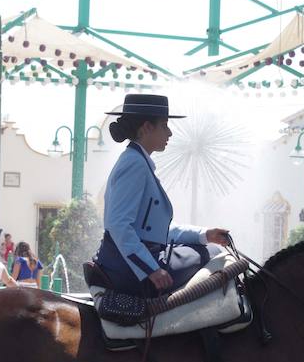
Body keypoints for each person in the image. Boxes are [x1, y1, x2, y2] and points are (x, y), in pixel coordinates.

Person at [93, 93, 229, 296]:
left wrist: (204, 234)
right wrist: (152, 270)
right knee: (215, 254)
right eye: (165, 125)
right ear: (147, 127)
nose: (170, 133)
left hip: (135, 260)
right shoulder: (135, 164)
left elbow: (154, 230)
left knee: (209, 248)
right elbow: (118, 224)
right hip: (130, 270)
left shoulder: (137, 160)